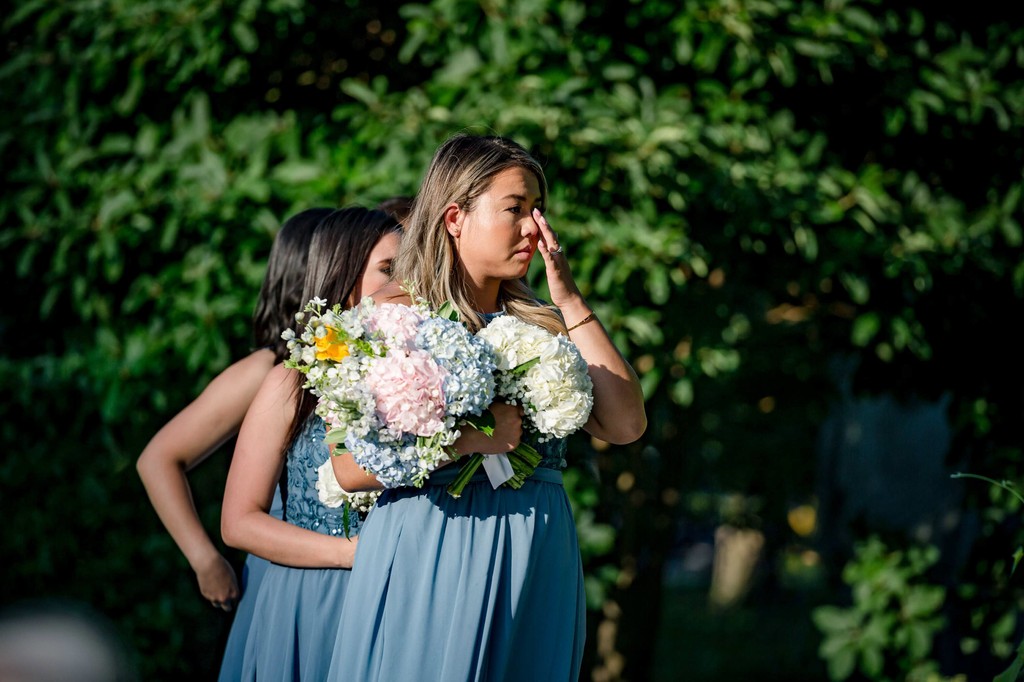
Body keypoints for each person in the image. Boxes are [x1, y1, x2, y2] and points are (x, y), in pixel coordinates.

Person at [326, 134, 647, 681]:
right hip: (433, 543)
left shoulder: (543, 322)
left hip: (535, 548)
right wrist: (471, 440)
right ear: (455, 217)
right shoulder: (387, 319)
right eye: (514, 209)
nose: (533, 227)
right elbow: (349, 468)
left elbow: (625, 424)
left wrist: (567, 300)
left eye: (537, 211)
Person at [135, 207, 331, 681]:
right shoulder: (268, 370)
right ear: (317, 270)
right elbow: (159, 457)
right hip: (280, 573)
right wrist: (205, 559)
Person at [221, 206, 402, 681]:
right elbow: (238, 522)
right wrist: (351, 554)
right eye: (389, 269)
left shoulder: (415, 379)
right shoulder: (291, 382)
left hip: (397, 601)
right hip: (313, 598)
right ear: (343, 279)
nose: (408, 284)